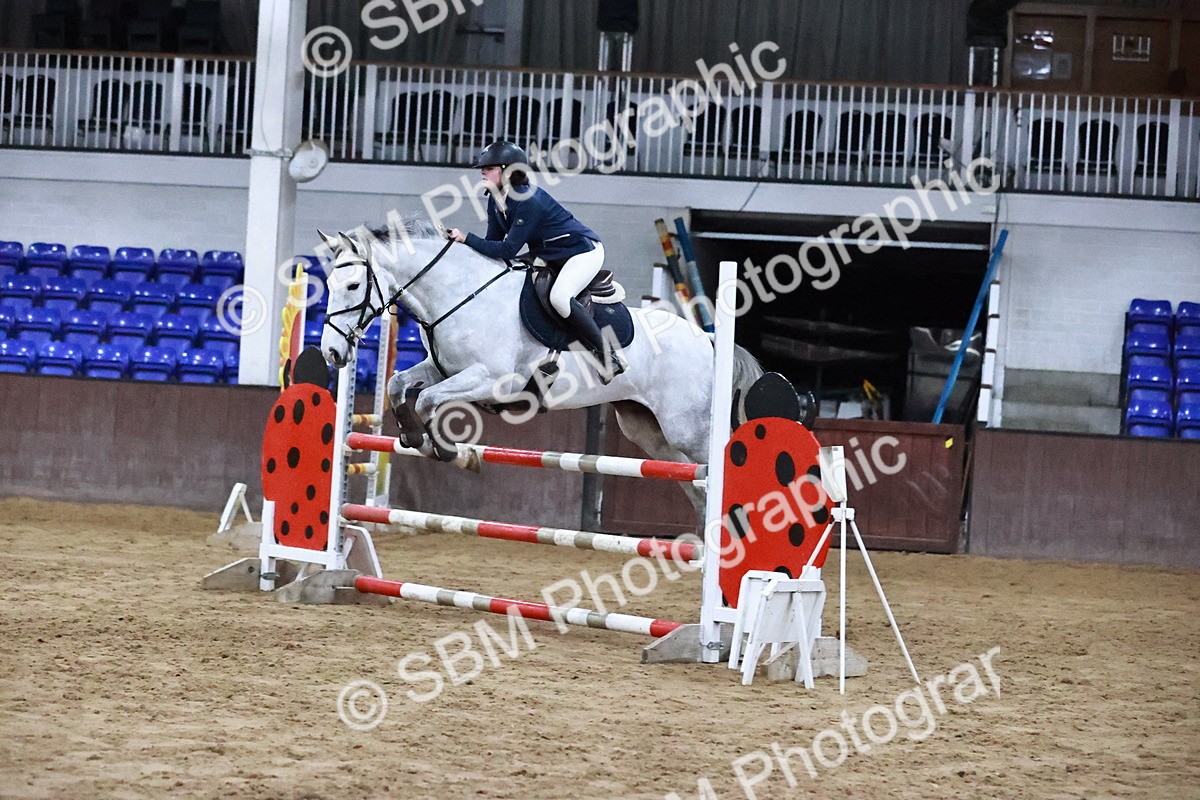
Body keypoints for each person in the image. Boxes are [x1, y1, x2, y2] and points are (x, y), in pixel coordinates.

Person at [444, 140, 627, 383]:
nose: (482, 173)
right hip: (551, 253)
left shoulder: (527, 199)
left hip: (581, 251)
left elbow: (509, 249)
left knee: (560, 298)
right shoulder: (496, 200)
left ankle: (609, 356)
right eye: (482, 169)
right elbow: (493, 245)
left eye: (488, 168)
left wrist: (467, 238)